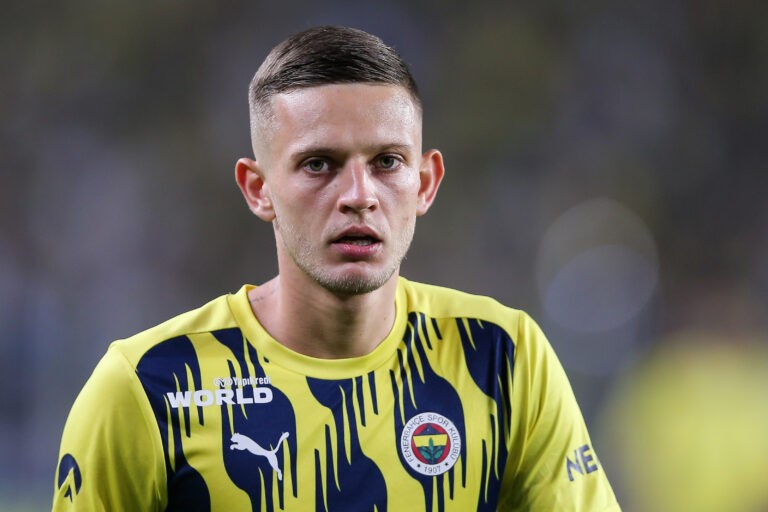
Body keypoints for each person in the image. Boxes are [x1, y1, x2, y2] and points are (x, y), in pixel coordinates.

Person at [53, 26, 621, 511]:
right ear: (258, 189)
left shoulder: (503, 359)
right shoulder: (148, 386)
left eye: (387, 162)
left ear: (425, 183)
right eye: (319, 164)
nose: (359, 195)